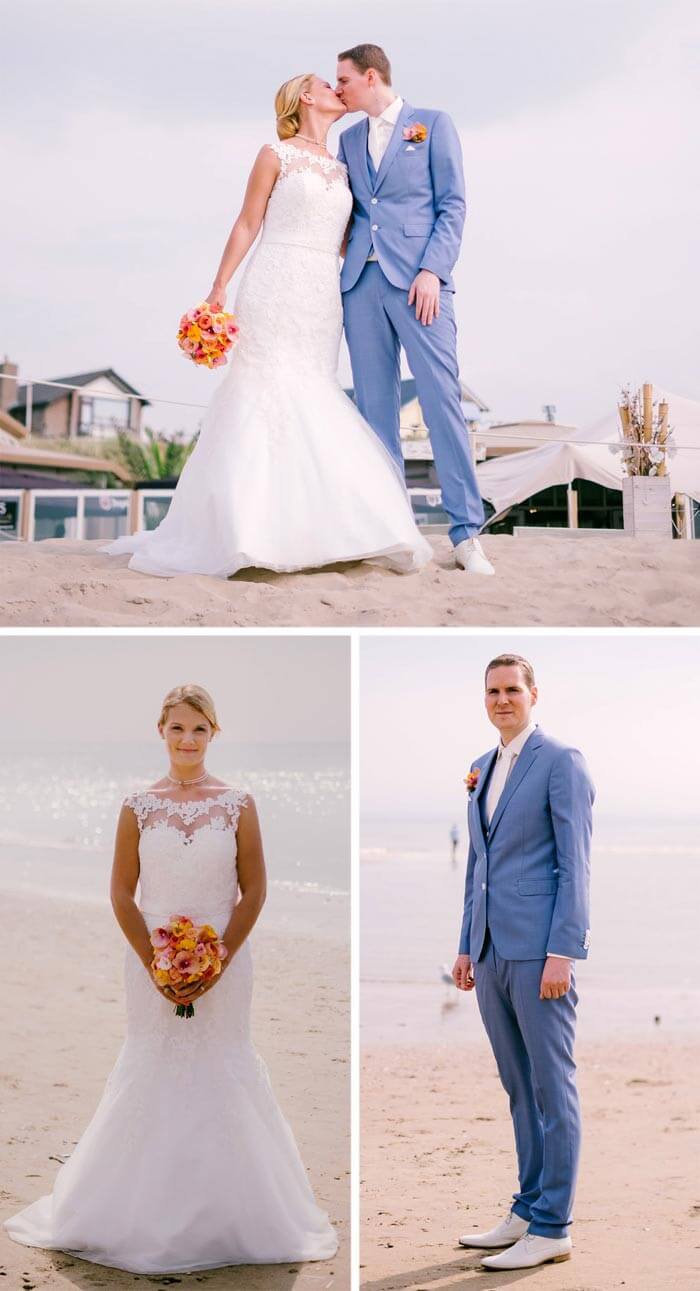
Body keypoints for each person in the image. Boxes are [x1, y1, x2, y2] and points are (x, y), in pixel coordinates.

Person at [4, 684, 337, 1274]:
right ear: (160, 731)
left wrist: (219, 958)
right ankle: (132, 1210)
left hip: (224, 961)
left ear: (214, 734)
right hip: (150, 955)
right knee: (150, 1065)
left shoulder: (239, 802)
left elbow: (254, 889)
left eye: (200, 729)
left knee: (223, 1063)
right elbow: (120, 893)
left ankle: (231, 1213)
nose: (188, 740)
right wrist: (154, 961)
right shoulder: (137, 804)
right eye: (178, 728)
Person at [102, 74, 431, 580]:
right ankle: (248, 532)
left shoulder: (345, 167)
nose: (337, 90)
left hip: (322, 292)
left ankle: (324, 529)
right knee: (265, 389)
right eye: (328, 83)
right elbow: (247, 223)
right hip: (274, 280)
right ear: (305, 96)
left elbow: (353, 238)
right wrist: (218, 287)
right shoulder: (274, 154)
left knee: (313, 389)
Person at [452, 654, 594, 1270]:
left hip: (541, 953)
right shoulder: (481, 768)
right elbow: (477, 867)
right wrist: (464, 944)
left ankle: (554, 1225)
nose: (502, 699)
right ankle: (528, 1208)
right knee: (517, 1088)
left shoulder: (561, 761)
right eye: (493, 691)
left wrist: (564, 951)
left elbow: (575, 863)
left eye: (513, 689)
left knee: (551, 1087)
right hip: (490, 951)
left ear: (535, 694)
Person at [335, 43, 494, 577]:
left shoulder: (432, 125)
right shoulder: (348, 138)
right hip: (360, 285)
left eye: (345, 80)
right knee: (375, 412)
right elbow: (349, 212)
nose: (339, 90)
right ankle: (393, 528)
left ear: (372, 76)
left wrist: (433, 270)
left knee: (441, 401)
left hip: (421, 284)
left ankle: (467, 533)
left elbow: (453, 204)